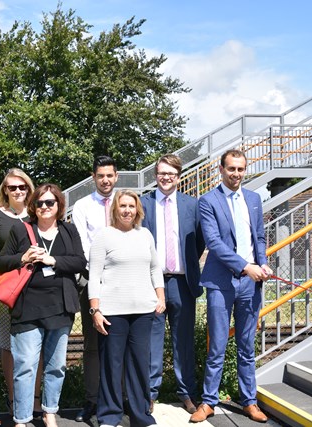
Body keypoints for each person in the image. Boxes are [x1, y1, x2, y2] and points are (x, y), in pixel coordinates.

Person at [191, 149, 272, 423]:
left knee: (246, 347)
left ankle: (249, 401)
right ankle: (209, 402)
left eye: (240, 169)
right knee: (217, 346)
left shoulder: (254, 198)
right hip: (221, 282)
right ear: (221, 170)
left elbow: (259, 237)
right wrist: (245, 266)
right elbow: (214, 243)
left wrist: (262, 263)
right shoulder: (208, 201)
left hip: (251, 283)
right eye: (231, 169)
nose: (236, 174)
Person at [0, 184, 86, 427]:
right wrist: (23, 258)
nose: (45, 207)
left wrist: (52, 260)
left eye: (50, 203)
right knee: (25, 366)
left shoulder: (69, 231)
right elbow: (2, 261)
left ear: (59, 206)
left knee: (56, 366)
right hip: (27, 309)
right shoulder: (21, 229)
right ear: (33, 206)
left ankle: (49, 413)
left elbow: (80, 262)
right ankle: (22, 418)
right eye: (40, 203)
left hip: (60, 308)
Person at [89, 189, 166, 427]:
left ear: (137, 210)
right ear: (115, 209)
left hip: (143, 311)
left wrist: (160, 297)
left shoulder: (145, 235)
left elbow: (155, 268)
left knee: (140, 365)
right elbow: (94, 275)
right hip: (112, 312)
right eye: (122, 206)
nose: (127, 210)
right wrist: (95, 310)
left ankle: (141, 416)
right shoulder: (104, 236)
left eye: (131, 206)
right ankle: (110, 416)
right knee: (112, 365)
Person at [140, 154, 204, 414]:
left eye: (171, 173)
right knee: (151, 342)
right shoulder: (143, 204)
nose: (166, 177)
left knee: (183, 342)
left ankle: (187, 394)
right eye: (161, 173)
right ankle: (150, 395)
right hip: (151, 283)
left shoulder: (192, 205)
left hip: (182, 283)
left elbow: (199, 242)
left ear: (179, 177)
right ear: (155, 175)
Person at [0, 168, 43, 416]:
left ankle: (35, 399)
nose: (18, 191)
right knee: (8, 344)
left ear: (29, 189)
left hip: (38, 289)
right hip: (9, 288)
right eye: (12, 187)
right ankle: (13, 398)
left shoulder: (39, 213)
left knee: (36, 345)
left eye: (23, 187)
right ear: (4, 191)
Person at [71, 155, 118, 423]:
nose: (105, 180)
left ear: (116, 176)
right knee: (92, 344)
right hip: (93, 280)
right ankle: (91, 400)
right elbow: (81, 245)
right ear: (93, 177)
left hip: (123, 281)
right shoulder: (82, 206)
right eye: (101, 176)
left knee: (120, 342)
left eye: (110, 175)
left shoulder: (125, 203)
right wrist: (101, 268)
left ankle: (117, 398)